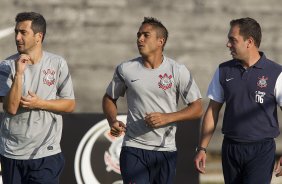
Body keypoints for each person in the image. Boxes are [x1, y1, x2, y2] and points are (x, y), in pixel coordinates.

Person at [102, 17, 203, 184]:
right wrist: (112, 121)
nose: (139, 39)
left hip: (165, 151)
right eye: (138, 35)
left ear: (160, 41)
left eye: (145, 35)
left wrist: (167, 117)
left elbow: (197, 108)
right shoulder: (126, 69)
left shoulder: (178, 71)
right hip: (133, 149)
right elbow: (108, 98)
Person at [194, 17, 282, 183]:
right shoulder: (223, 70)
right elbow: (212, 110)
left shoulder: (276, 73)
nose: (228, 44)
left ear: (249, 42)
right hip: (230, 148)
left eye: (232, 40)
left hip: (261, 150)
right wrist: (202, 148)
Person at [0, 12, 75, 184]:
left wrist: (40, 103)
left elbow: (69, 104)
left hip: (45, 153)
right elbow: (10, 108)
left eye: (23, 32)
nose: (17, 37)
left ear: (38, 36)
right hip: (11, 152)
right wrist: (19, 73)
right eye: (16, 32)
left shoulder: (57, 63)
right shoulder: (6, 66)